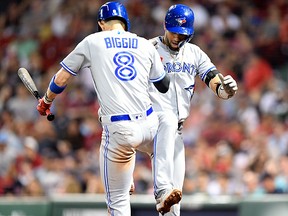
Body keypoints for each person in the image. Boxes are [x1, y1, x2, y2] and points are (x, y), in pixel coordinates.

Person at [36, 2, 171, 216]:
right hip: (150, 124)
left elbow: (61, 78)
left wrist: (46, 101)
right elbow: (164, 85)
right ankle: (163, 188)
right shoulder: (144, 44)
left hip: (120, 129)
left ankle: (131, 183)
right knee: (161, 159)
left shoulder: (93, 41)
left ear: (101, 23)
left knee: (117, 202)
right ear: (125, 22)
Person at [149, 4, 238, 215]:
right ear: (165, 26)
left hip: (176, 131)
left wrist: (226, 90)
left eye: (183, 34)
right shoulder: (148, 48)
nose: (177, 38)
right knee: (165, 190)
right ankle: (160, 191)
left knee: (174, 203)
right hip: (151, 125)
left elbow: (214, 81)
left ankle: (164, 198)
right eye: (174, 32)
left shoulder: (194, 53)